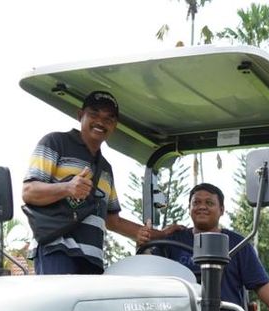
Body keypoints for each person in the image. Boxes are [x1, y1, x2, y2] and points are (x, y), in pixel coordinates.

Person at [22, 90, 180, 274]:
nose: (100, 122)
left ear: (114, 125)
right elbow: (29, 191)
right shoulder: (55, 143)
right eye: (94, 114)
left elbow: (113, 221)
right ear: (80, 115)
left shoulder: (105, 168)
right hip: (57, 250)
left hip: (92, 259)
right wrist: (67, 188)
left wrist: (161, 234)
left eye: (108, 118)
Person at [152, 183, 269, 311]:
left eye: (209, 203)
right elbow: (150, 276)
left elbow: (261, 285)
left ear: (222, 210)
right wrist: (147, 238)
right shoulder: (171, 242)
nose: (202, 207)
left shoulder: (239, 244)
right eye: (196, 202)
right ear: (189, 209)